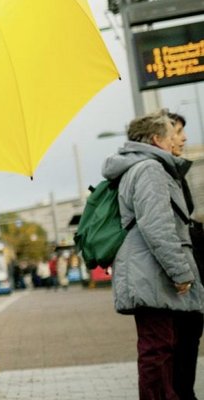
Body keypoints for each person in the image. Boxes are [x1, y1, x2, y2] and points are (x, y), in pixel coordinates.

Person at [102, 110, 202, 399]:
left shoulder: (141, 167)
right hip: (152, 275)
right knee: (157, 351)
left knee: (161, 348)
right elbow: (157, 225)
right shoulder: (150, 169)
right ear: (157, 139)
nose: (177, 141)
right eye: (172, 136)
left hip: (148, 272)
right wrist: (181, 273)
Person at [170, 111, 204, 400]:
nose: (184, 138)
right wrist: (182, 274)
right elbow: (163, 228)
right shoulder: (159, 172)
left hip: (188, 266)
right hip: (180, 272)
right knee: (184, 336)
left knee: (190, 334)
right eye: (179, 131)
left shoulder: (175, 170)